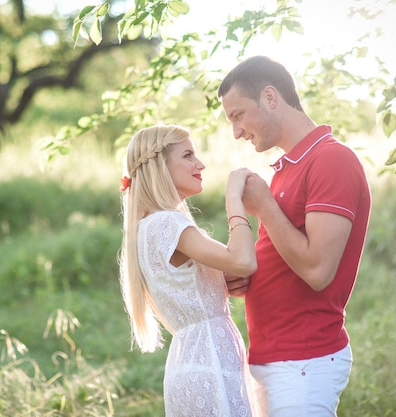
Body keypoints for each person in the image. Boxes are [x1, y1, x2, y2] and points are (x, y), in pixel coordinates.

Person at [217, 55, 372, 417]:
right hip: (273, 358)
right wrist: (246, 277)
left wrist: (265, 208)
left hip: (304, 361)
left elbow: (318, 271)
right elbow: (288, 256)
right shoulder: (288, 169)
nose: (236, 131)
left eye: (238, 115)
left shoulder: (331, 160)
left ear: (270, 97)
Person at [118, 124, 257, 416]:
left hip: (190, 363)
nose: (200, 164)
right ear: (161, 167)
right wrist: (234, 199)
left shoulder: (146, 227)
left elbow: (224, 272)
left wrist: (223, 279)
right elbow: (242, 260)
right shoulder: (168, 224)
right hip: (210, 363)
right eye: (188, 155)